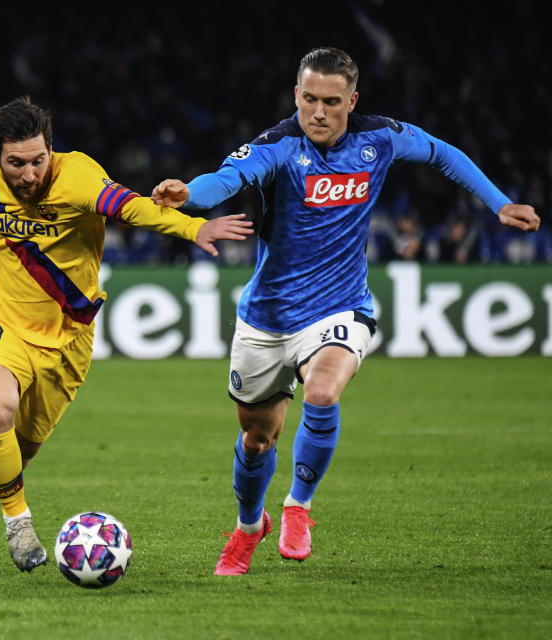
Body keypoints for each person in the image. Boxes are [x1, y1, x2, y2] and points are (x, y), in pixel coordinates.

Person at [151, 46, 540, 576]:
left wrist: (499, 202)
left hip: (340, 305)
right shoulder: (278, 146)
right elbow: (226, 179)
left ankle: (298, 506)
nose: (317, 111)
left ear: (351, 101)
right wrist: (189, 193)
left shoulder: (378, 138)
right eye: (308, 98)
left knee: (324, 389)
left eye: (331, 102)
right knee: (256, 436)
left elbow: (441, 152)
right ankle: (248, 527)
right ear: (296, 95)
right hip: (267, 317)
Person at [0, 96, 254, 571]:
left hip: (70, 337)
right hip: (5, 321)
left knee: (22, 445)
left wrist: (192, 228)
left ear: (51, 151)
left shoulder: (78, 176)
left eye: (38, 160)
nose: (30, 173)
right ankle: (18, 524)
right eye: (17, 163)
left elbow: (135, 209)